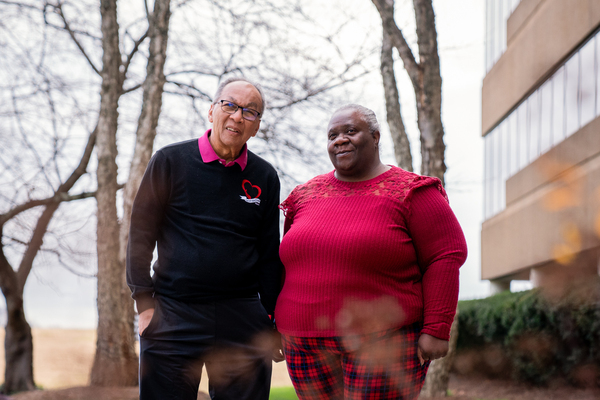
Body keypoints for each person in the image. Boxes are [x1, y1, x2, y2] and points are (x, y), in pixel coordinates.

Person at [275, 104, 468, 399]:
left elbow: (446, 255)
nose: (340, 139)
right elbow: (290, 263)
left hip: (384, 339)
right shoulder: (304, 195)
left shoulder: (412, 191)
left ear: (376, 137)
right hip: (304, 343)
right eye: (333, 135)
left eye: (351, 131)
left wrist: (436, 329)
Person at [126, 77, 284, 400]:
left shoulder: (265, 176)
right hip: (173, 313)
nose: (238, 116)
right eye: (230, 105)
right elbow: (141, 233)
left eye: (250, 112)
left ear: (256, 127)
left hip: (242, 318)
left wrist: (272, 320)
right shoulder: (169, 161)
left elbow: (269, 253)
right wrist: (144, 302)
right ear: (212, 110)